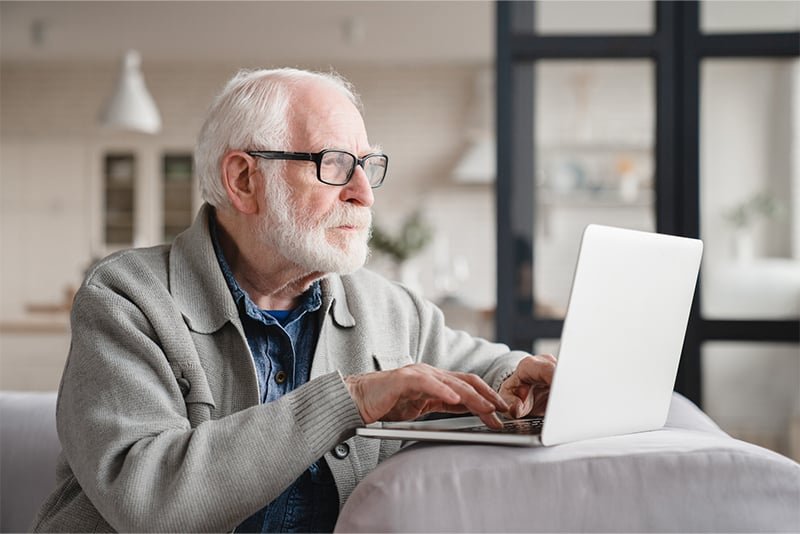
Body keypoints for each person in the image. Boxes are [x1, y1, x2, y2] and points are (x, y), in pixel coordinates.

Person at [32, 67, 556, 533]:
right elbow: (152, 505)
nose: (364, 193)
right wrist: (349, 400)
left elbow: (490, 371)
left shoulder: (392, 310)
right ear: (243, 180)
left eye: (367, 166)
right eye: (333, 164)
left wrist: (521, 381)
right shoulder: (127, 300)